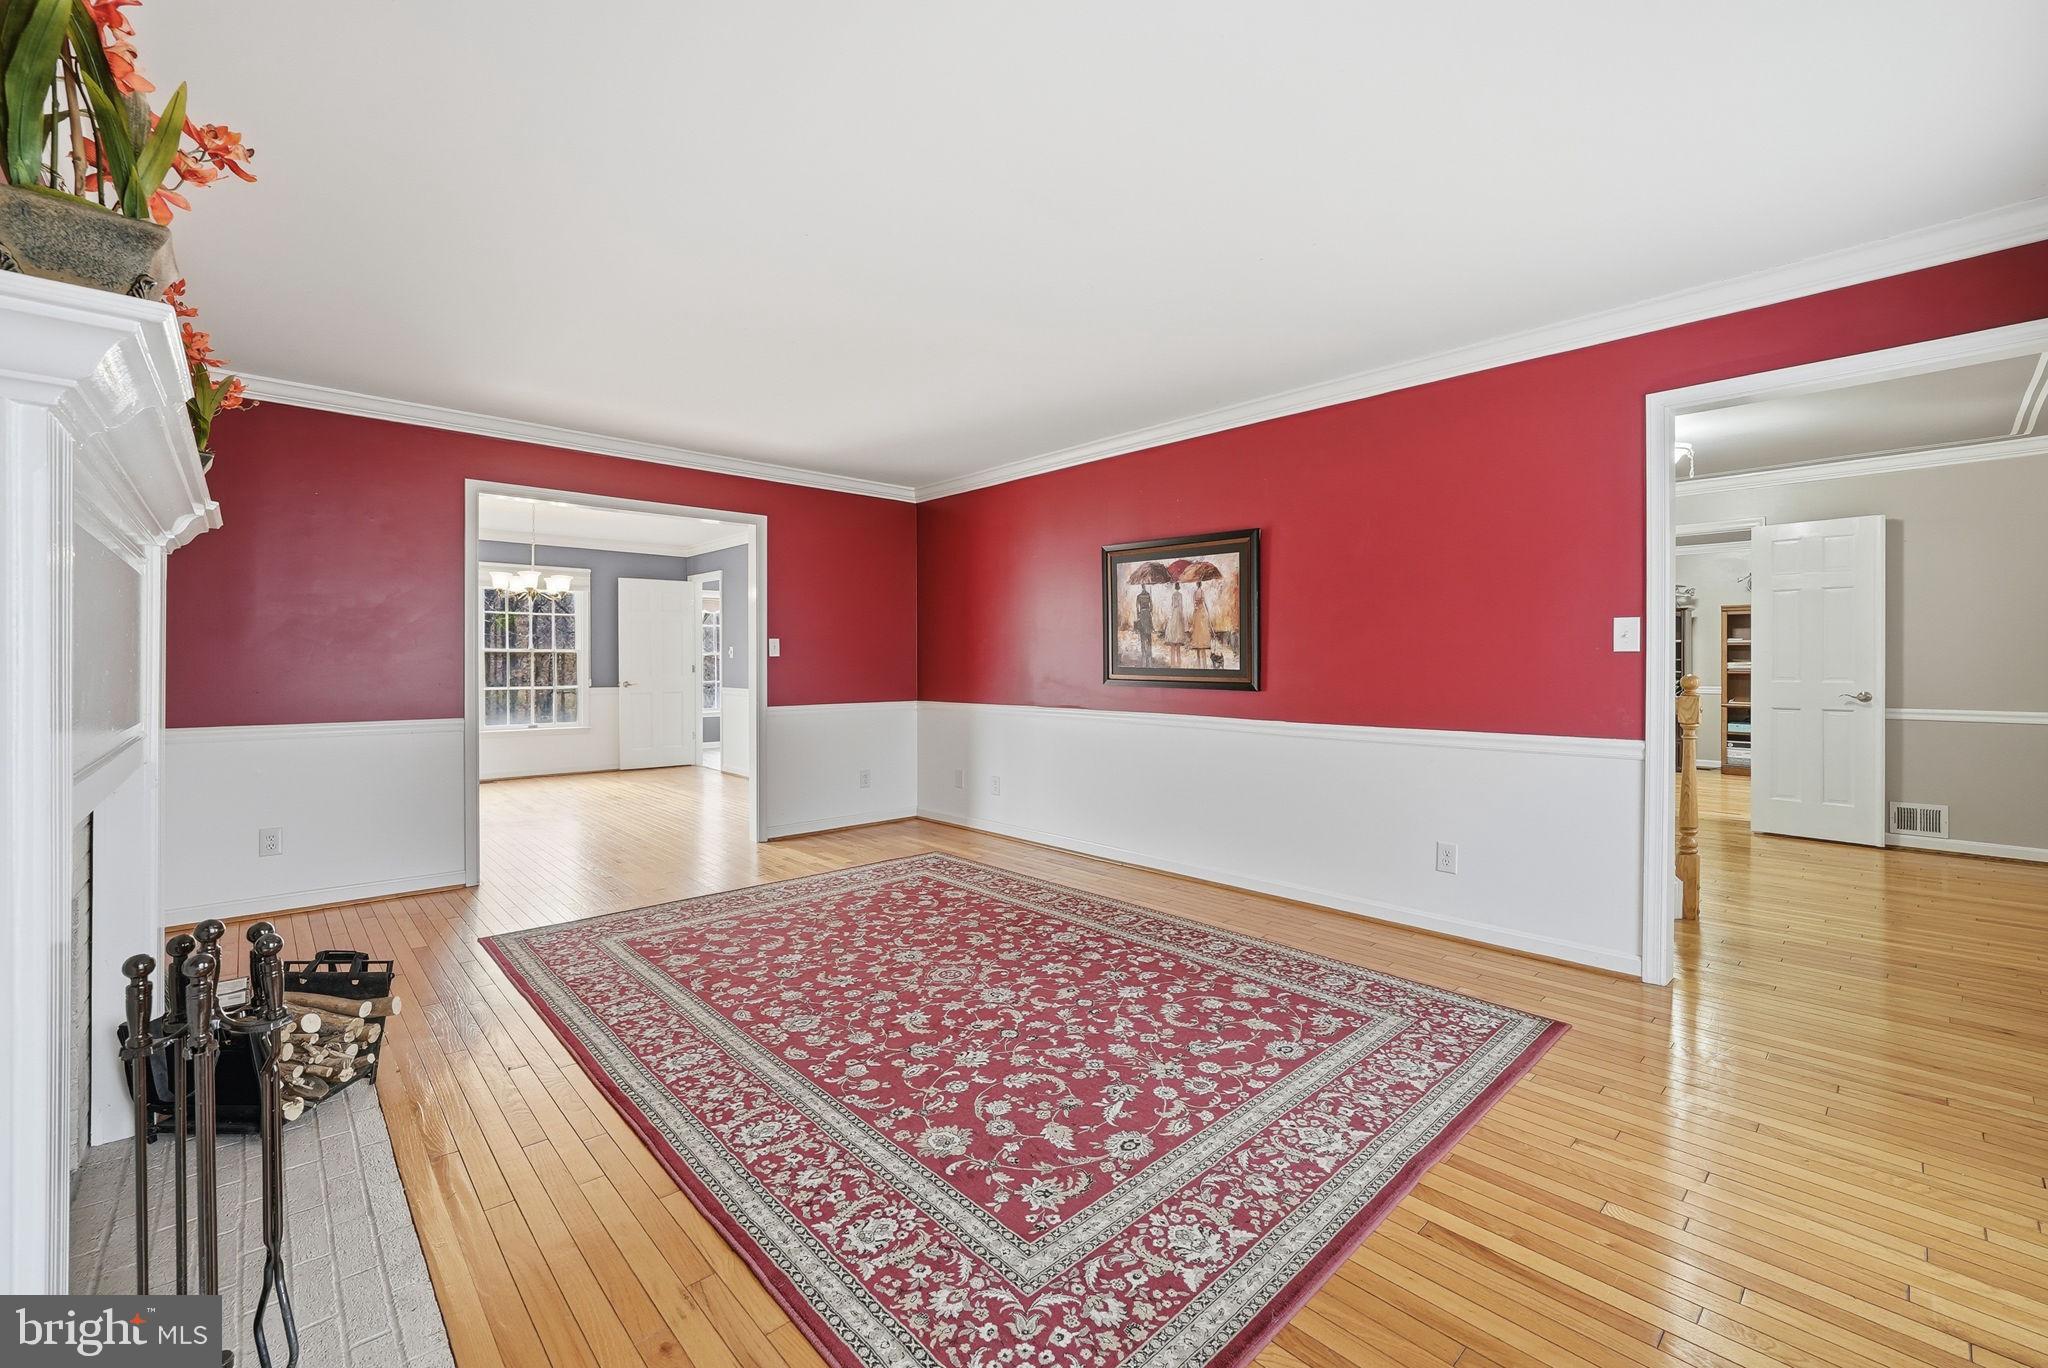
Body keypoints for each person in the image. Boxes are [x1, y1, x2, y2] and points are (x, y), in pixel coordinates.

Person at [1164, 583, 1187, 666]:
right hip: (1178, 613)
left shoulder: (1173, 594)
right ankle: (1179, 662)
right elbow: (1181, 606)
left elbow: (1172, 605)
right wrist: (1182, 616)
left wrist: (1171, 614)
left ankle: (1173, 662)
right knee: (1178, 635)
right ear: (1179, 587)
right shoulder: (1180, 595)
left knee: (1174, 633)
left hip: (1174, 613)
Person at [1190, 583, 1212, 665]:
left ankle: (1199, 661)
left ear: (1196, 584)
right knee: (1202, 630)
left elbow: (1194, 604)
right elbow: (1204, 602)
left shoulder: (1195, 593)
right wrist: (1207, 610)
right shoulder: (1202, 592)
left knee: (1198, 631)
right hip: (1201, 612)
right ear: (1201, 585)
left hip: (1197, 612)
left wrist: (1196, 607)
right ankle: (1204, 662)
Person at [1133, 585, 1155, 666]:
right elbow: (1152, 607)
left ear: (1141, 587)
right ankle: (1149, 653)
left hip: (1142, 614)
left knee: (1142, 635)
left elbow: (1136, 607)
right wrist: (1149, 610)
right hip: (1147, 615)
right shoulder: (1148, 595)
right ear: (1145, 587)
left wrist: (1138, 615)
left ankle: (1143, 653)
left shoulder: (1138, 596)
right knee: (1149, 634)